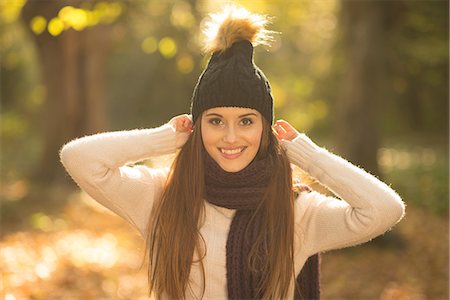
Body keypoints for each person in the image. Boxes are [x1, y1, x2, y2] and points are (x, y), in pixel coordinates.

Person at [60, 6, 405, 300]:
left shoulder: (297, 211)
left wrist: (306, 153)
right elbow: (79, 159)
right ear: (198, 127)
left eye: (245, 121)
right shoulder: (161, 196)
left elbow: (385, 210)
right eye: (215, 121)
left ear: (265, 129)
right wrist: (164, 138)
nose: (230, 136)